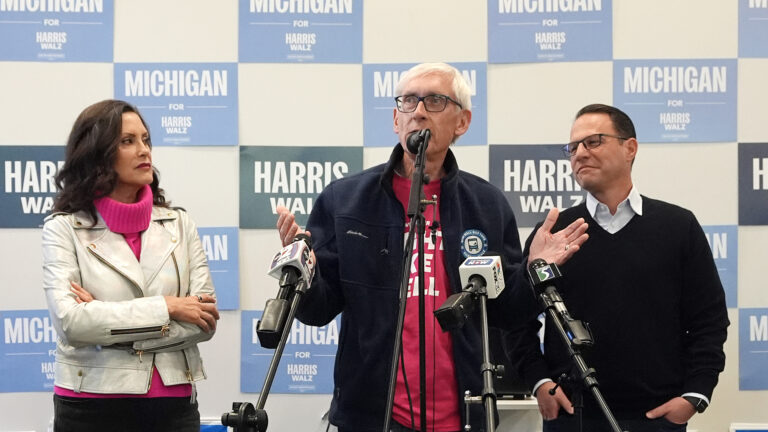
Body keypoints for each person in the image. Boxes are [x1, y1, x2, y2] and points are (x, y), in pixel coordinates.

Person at [275, 63, 589, 432]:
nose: (419, 111)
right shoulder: (345, 201)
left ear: (462, 121)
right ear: (396, 119)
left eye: (435, 101)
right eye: (409, 101)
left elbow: (506, 314)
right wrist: (303, 273)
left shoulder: (486, 204)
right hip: (371, 415)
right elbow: (318, 311)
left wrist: (534, 270)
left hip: (463, 414)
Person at [505, 104, 729, 432]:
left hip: (657, 418)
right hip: (573, 417)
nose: (579, 153)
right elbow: (517, 319)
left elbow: (708, 320)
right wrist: (539, 381)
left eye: (593, 141)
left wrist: (694, 394)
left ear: (630, 148)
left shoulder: (678, 226)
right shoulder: (553, 234)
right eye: (573, 147)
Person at [42, 99, 220, 432]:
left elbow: (204, 321)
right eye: (128, 141)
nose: (144, 150)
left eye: (146, 139)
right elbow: (73, 324)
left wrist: (106, 322)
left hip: (173, 405)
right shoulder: (62, 229)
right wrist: (168, 308)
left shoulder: (180, 225)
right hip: (89, 404)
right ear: (97, 154)